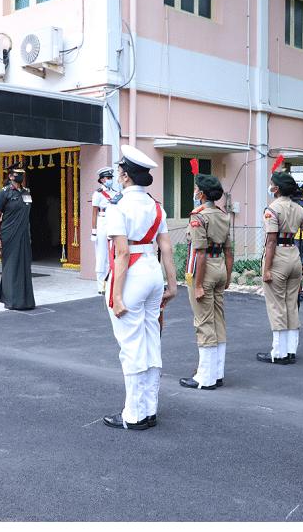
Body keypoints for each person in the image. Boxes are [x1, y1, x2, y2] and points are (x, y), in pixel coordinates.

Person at [103, 145, 177, 430]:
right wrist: (172, 285)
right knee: (151, 342)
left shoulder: (118, 207)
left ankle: (134, 415)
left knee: (131, 346)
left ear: (124, 176)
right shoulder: (157, 206)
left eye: (119, 172)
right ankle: (149, 409)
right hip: (152, 272)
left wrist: (117, 295)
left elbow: (121, 253)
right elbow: (166, 248)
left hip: (130, 274)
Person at [180, 171, 233, 389]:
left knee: (204, 322)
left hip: (204, 270)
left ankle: (205, 377)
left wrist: (199, 284)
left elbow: (199, 253)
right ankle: (216, 373)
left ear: (201, 194)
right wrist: (228, 277)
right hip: (219, 266)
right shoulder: (222, 214)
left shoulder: (198, 215)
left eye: (195, 190)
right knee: (218, 320)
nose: (194, 193)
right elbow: (229, 251)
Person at [257, 170, 303, 365]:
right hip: (294, 255)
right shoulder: (298, 208)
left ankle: (279, 352)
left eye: (272, 183)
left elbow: (271, 241)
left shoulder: (272, 209)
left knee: (276, 305)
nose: (270, 186)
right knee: (292, 304)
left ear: (276, 189)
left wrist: (266, 269)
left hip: (278, 258)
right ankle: (291, 350)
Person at [0, 163, 35, 310]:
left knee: (24, 265)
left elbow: (26, 215)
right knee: (11, 265)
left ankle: (26, 300)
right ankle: (10, 300)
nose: (20, 176)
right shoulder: (3, 192)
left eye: (22, 174)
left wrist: (28, 233)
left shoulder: (26, 192)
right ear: (10, 176)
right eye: (17, 174)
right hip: (8, 233)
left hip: (23, 233)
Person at [91, 167, 115, 294]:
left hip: (113, 222)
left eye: (111, 178)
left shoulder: (115, 193)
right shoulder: (98, 194)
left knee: (111, 255)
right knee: (101, 256)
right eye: (108, 178)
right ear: (101, 179)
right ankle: (101, 286)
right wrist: (94, 232)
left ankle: (110, 283)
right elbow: (94, 213)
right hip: (102, 222)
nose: (110, 180)